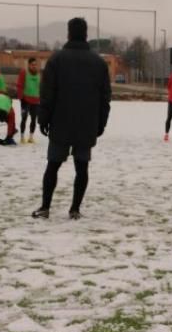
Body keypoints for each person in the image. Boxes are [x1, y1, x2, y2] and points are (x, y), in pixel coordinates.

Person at [32, 17, 111, 220]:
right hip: (87, 124)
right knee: (82, 166)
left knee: (53, 165)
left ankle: (45, 206)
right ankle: (75, 209)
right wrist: (101, 123)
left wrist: (43, 118)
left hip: (60, 122)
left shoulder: (56, 60)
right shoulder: (99, 63)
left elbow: (47, 93)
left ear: (68, 33)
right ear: (86, 34)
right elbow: (105, 98)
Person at [16, 57, 41, 144]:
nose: (34, 66)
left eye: (35, 65)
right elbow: (19, 85)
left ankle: (31, 137)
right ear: (29, 65)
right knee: (24, 118)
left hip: (36, 100)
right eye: (32, 65)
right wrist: (21, 98)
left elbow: (40, 87)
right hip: (25, 99)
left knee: (34, 119)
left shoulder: (38, 74)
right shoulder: (24, 72)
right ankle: (22, 137)